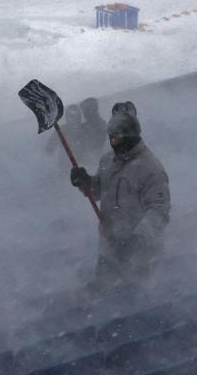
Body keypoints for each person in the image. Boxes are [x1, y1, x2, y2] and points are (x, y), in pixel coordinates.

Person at [70, 102, 170, 289]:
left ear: (129, 137)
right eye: (110, 138)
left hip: (140, 256)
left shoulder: (150, 169)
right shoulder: (107, 161)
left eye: (116, 139)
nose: (112, 143)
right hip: (109, 248)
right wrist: (85, 182)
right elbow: (99, 191)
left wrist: (137, 240)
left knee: (133, 302)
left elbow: (159, 210)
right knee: (105, 296)